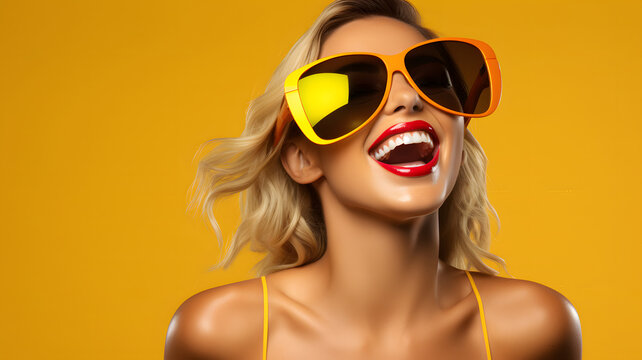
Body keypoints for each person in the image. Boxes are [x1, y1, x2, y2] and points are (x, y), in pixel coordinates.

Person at [164, 0, 582, 358]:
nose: (408, 97)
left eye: (433, 80)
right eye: (357, 90)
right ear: (302, 157)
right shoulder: (221, 335)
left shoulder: (534, 329)